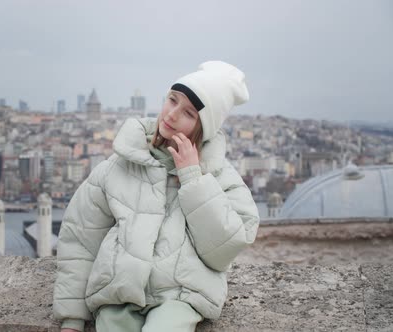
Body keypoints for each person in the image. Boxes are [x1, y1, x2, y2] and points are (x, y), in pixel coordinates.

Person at [53, 61, 260, 332]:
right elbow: (81, 240)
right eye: (172, 100)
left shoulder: (218, 175)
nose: (171, 115)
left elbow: (226, 248)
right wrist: (72, 318)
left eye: (188, 113)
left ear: (203, 128)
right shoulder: (118, 166)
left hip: (181, 295)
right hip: (119, 294)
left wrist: (193, 179)